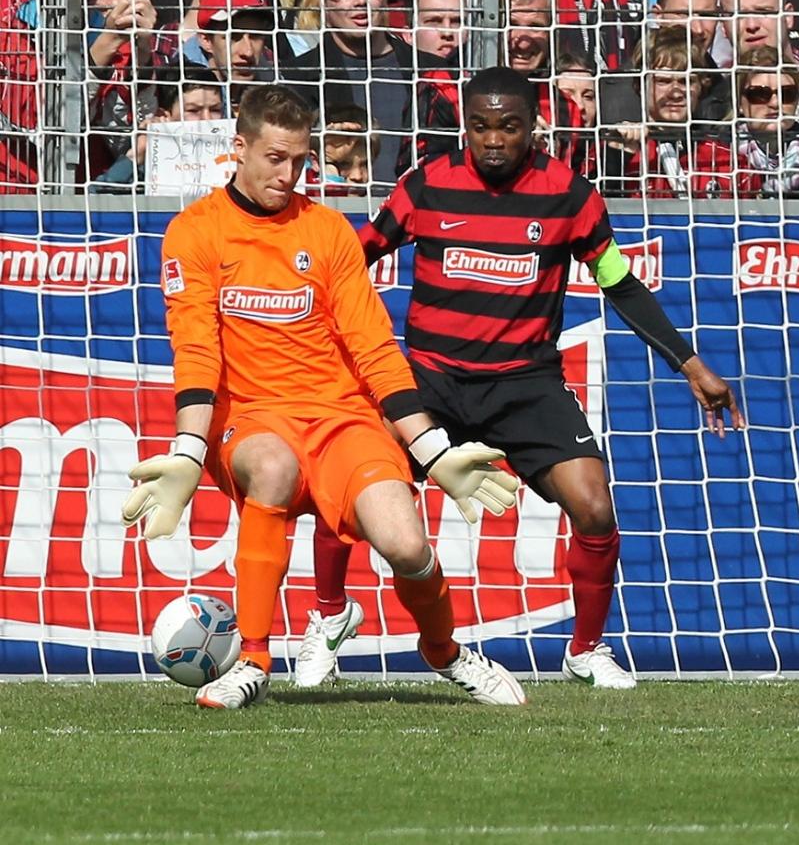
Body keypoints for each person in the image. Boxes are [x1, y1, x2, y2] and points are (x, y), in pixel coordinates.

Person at [288, 68, 742, 689]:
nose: (494, 139)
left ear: (535, 127)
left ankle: (586, 648)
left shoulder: (570, 195)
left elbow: (620, 284)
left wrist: (689, 364)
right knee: (343, 491)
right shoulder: (424, 186)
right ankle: (329, 618)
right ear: (464, 126)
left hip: (526, 382)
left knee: (594, 506)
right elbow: (354, 257)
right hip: (428, 383)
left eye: (509, 126)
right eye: (480, 126)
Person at [126, 85, 527, 710]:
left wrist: (432, 447)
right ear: (240, 149)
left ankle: (445, 651)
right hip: (252, 419)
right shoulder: (194, 233)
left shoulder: (329, 231)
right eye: (275, 158)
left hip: (342, 417)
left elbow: (373, 348)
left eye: (300, 161)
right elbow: (197, 350)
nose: (289, 175)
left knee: (404, 542)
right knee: (274, 468)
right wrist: (185, 450)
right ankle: (253, 659)